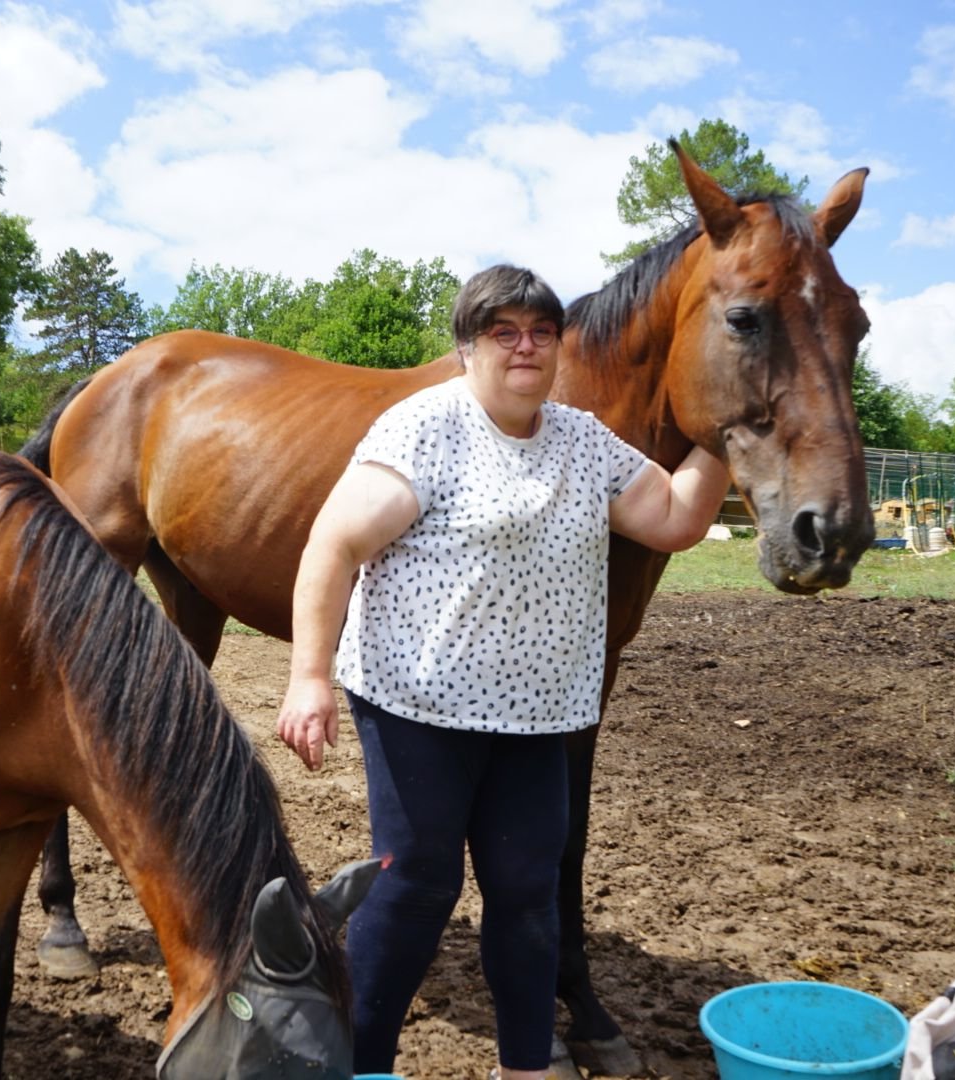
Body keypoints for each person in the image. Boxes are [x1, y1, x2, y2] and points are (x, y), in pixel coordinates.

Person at [276, 264, 731, 1080]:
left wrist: (726, 429)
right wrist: (309, 675)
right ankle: (361, 1063)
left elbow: (673, 518)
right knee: (418, 883)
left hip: (541, 714)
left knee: (526, 892)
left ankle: (525, 1066)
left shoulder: (582, 439)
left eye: (542, 332)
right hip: (419, 703)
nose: (526, 347)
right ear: (467, 349)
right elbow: (333, 546)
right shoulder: (424, 429)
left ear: (558, 347)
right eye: (503, 332)